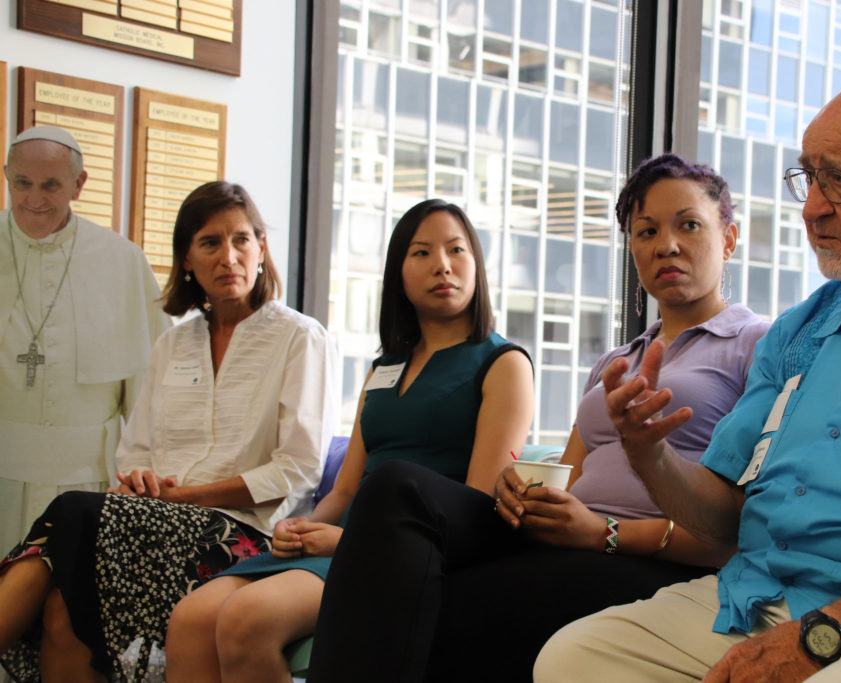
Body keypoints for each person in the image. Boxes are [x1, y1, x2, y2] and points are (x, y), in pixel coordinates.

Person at [535, 76, 841, 683]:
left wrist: (824, 636)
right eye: (808, 177)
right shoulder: (802, 332)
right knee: (574, 659)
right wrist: (649, 453)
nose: (812, 208)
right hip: (764, 598)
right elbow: (723, 516)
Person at [305, 156, 770, 683]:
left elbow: (743, 523)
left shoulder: (758, 344)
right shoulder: (617, 359)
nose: (666, 244)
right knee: (396, 488)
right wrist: (520, 491)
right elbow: (566, 476)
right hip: (568, 535)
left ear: (728, 238)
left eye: (689, 225)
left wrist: (603, 533)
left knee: (448, 604)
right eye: (646, 231)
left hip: (643, 554)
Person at [164, 198, 534, 683]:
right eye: (422, 253)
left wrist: (349, 542)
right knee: (188, 620)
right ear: (399, 273)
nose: (443, 265)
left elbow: (476, 509)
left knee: (244, 620)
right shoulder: (384, 368)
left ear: (477, 264)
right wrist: (301, 529)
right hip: (341, 541)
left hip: (408, 551)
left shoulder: (503, 363)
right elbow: (344, 488)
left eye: (457, 249)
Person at [0, 181, 336, 683]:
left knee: (71, 513)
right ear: (186, 260)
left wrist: (189, 498)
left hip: (246, 536)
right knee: (60, 610)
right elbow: (135, 450)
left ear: (262, 249)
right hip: (154, 521)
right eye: (210, 243)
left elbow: (298, 468)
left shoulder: (299, 338)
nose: (229, 256)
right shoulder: (173, 345)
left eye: (242, 240)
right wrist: (140, 482)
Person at [0, 125, 170, 554]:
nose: (34, 198)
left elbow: (148, 385)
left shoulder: (121, 260)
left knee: (65, 600)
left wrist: (145, 469)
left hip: (87, 478)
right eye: (23, 183)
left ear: (79, 185)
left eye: (51, 185)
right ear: (6, 175)